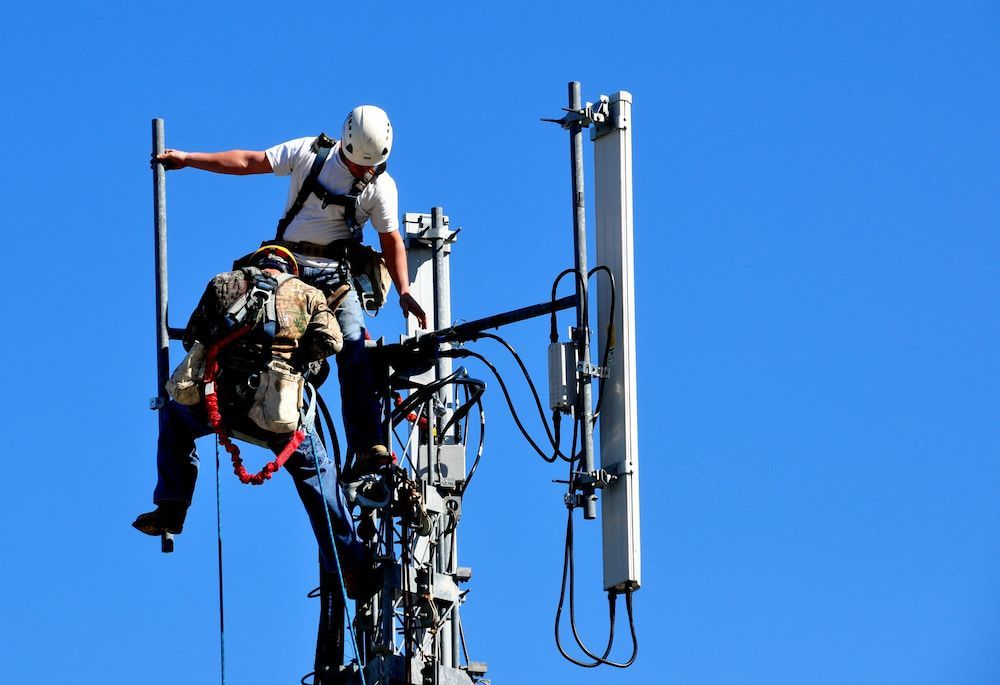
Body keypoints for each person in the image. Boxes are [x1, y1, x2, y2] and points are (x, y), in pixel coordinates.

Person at [155, 105, 427, 478]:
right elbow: (249, 161)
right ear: (344, 147)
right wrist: (189, 159)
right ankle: (212, 400)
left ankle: (367, 446)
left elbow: (390, 239)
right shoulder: (310, 155)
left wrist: (404, 291)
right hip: (286, 269)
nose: (363, 172)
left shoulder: (380, 187)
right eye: (357, 165)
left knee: (353, 345)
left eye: (370, 167)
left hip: (334, 279)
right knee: (244, 322)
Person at [133, 245, 374, 597]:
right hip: (275, 412)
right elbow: (332, 341)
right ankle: (352, 566)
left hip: (217, 402)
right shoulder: (308, 293)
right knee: (318, 475)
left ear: (255, 262)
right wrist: (299, 361)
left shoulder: (223, 283)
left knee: (174, 420)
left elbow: (193, 336)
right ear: (290, 267)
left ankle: (171, 507)